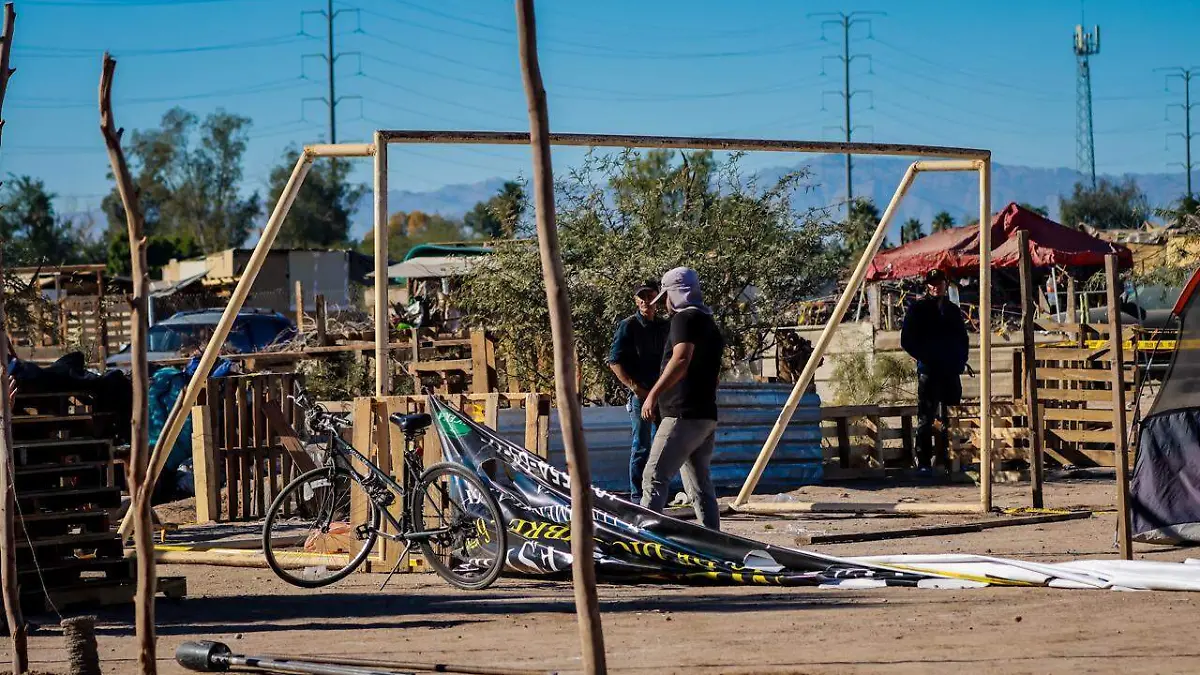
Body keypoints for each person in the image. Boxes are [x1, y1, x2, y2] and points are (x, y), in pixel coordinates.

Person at [640, 267, 725, 530]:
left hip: (682, 414)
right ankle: (714, 541)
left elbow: (681, 359)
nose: (666, 303)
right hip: (704, 415)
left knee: (653, 476)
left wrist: (652, 394)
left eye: (667, 296)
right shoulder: (708, 322)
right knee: (699, 484)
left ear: (675, 294)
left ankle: (640, 540)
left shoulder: (684, 320)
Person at [900, 269, 969, 474]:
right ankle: (923, 462)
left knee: (952, 416)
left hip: (950, 371)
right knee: (926, 418)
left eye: (939, 283)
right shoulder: (918, 309)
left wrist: (960, 361)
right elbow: (907, 340)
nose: (935, 286)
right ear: (927, 286)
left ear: (945, 284)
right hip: (929, 371)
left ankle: (951, 460)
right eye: (932, 283)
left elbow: (962, 339)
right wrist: (925, 356)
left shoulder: (952, 310)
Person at [607, 281, 669, 502]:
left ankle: (658, 492)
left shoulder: (664, 326)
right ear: (636, 301)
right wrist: (635, 387)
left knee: (664, 443)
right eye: (641, 298)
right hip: (641, 394)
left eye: (649, 297)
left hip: (663, 392)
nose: (645, 302)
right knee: (642, 445)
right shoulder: (629, 325)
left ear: (657, 300)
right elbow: (614, 361)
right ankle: (637, 495)